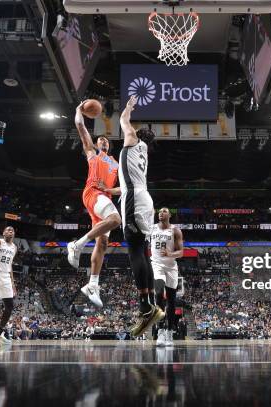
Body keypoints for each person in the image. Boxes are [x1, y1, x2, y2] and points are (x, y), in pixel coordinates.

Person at [66, 101, 121, 308]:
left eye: (105, 140)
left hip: (103, 198)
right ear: (97, 145)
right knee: (116, 220)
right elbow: (81, 128)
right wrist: (78, 111)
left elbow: (123, 189)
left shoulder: (116, 163)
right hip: (93, 194)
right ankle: (76, 245)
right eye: (100, 139)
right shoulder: (92, 154)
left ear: (109, 145)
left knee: (103, 244)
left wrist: (108, 190)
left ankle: (92, 285)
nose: (102, 141)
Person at [117, 95, 164, 337]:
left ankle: (146, 307)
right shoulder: (141, 152)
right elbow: (127, 181)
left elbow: (123, 120)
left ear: (138, 134)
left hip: (134, 201)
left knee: (135, 251)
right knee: (142, 251)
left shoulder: (132, 140)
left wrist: (128, 107)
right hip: (143, 199)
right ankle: (148, 304)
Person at [150, 208, 183, 347]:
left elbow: (181, 252)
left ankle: (170, 331)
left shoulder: (175, 231)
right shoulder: (151, 228)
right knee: (158, 293)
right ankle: (161, 330)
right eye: (159, 212)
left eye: (164, 211)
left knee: (171, 301)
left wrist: (171, 254)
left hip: (171, 267)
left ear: (169, 215)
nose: (161, 213)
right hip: (157, 265)